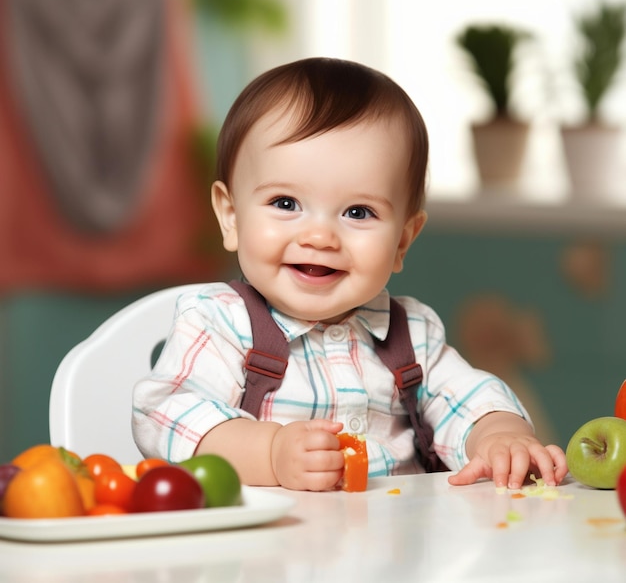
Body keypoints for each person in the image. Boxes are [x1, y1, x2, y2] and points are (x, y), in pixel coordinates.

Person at [132, 57, 567, 492]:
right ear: (231, 216)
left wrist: (499, 436)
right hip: (274, 551)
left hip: (404, 549)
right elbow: (167, 414)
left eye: (358, 212)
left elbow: (468, 400)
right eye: (286, 203)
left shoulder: (411, 335)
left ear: (402, 241)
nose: (320, 236)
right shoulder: (220, 322)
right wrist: (268, 453)